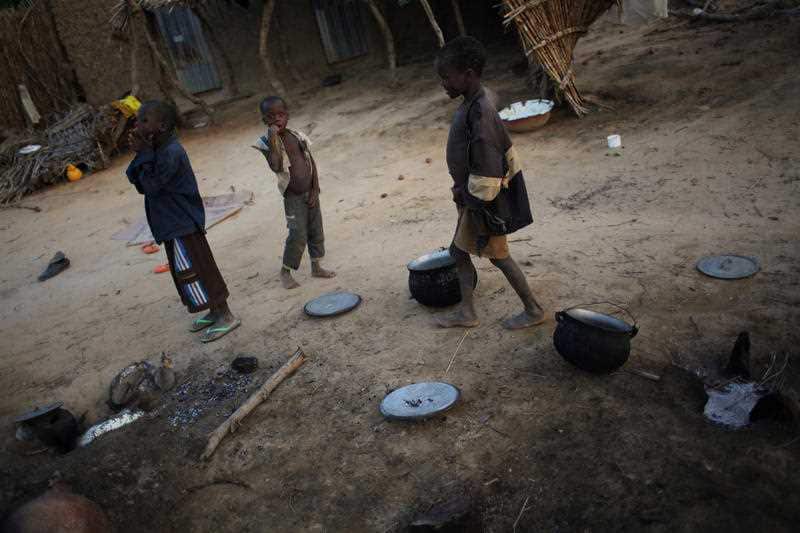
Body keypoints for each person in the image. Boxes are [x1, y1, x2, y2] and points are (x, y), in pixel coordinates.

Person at [434, 37, 545, 330]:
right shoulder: (476, 100)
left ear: (468, 74)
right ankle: (467, 312)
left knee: (499, 256)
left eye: (447, 77)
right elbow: (491, 95)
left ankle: (533, 309)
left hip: (483, 203)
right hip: (473, 200)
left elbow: (488, 171)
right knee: (459, 253)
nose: (443, 83)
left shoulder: (481, 116)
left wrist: (472, 201)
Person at [126, 100, 240, 343]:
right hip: (171, 223)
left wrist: (143, 154)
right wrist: (142, 153)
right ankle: (212, 310)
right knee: (187, 271)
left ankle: (226, 314)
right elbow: (136, 180)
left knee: (201, 268)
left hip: (183, 222)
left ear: (163, 125)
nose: (137, 125)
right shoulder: (154, 149)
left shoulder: (171, 152)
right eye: (138, 120)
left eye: (144, 120)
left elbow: (152, 185)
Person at [254, 96, 336, 289]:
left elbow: (310, 162)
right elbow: (276, 165)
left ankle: (316, 266)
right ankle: (286, 271)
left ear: (287, 115)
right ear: (265, 120)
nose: (277, 120)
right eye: (271, 117)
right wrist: (273, 137)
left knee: (316, 229)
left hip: (310, 192)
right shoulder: (266, 143)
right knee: (297, 234)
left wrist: (315, 189)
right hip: (293, 198)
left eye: (281, 115)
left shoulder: (297, 136)